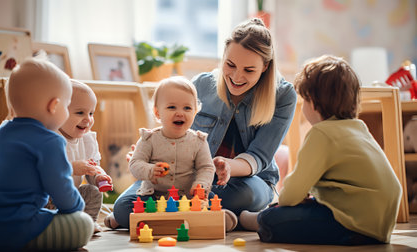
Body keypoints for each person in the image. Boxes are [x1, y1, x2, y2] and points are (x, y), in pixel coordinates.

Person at [239, 55, 402, 245]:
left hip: (351, 224)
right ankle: (262, 216)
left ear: (314, 103)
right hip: (379, 225)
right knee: (303, 207)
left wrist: (286, 202)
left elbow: (292, 192)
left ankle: (256, 220)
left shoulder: (321, 134)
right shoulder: (359, 128)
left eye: (304, 100)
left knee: (274, 219)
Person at [0, 58, 94, 251]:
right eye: (66, 106)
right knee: (83, 224)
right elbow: (63, 194)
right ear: (54, 106)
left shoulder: (0, 133)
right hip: (16, 229)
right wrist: (76, 211)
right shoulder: (51, 141)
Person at [190, 18, 297, 220]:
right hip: (196, 177)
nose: (237, 77)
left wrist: (228, 166)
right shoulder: (201, 85)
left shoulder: (283, 96)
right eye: (230, 64)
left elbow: (259, 156)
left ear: (265, 66)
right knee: (126, 208)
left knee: (242, 195)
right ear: (223, 57)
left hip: (251, 180)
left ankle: (194, 204)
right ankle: (217, 213)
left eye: (249, 70)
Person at [105, 76, 230, 230]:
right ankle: (127, 218)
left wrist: (201, 185)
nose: (180, 113)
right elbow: (135, 164)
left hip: (187, 196)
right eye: (172, 107)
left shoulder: (199, 141)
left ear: (195, 111)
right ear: (157, 113)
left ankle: (216, 218)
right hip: (153, 195)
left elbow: (206, 167)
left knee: (212, 200)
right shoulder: (148, 139)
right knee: (123, 207)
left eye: (187, 108)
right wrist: (150, 170)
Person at [58, 79, 113, 233]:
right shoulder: (52, 137)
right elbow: (46, 171)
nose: (88, 119)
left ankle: (88, 221)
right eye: (80, 112)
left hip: (72, 194)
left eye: (91, 113)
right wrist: (72, 168)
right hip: (49, 197)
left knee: (92, 192)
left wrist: (98, 176)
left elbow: (93, 166)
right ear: (59, 111)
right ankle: (60, 223)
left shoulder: (87, 139)